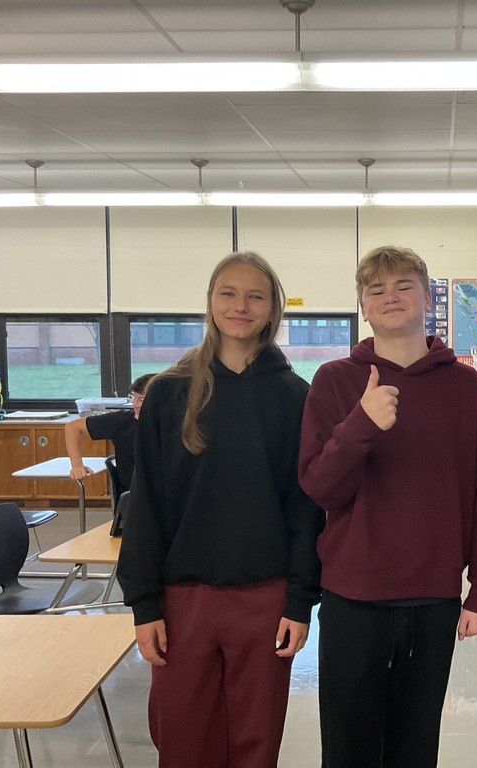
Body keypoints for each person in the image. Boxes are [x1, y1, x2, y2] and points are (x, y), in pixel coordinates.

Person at [116, 251, 324, 768]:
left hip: (265, 596)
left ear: (273, 308)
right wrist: (145, 605)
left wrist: (300, 601)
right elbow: (146, 505)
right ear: (210, 303)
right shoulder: (167, 393)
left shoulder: (296, 396)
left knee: (256, 740)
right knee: (183, 737)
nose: (241, 305)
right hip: (183, 598)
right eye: (228, 293)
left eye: (256, 295)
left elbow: (304, 509)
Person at [298, 245, 477, 768]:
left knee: (415, 744)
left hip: (431, 597)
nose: (390, 297)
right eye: (376, 290)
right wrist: (360, 425)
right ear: (363, 306)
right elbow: (320, 486)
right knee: (347, 745)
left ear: (428, 297)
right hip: (352, 594)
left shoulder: (466, 387)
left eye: (403, 286)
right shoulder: (335, 380)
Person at [65, 372, 155, 493]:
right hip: (135, 495)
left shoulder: (174, 423)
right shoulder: (122, 421)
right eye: (134, 398)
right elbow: (73, 427)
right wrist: (77, 466)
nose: (135, 404)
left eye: (141, 400)